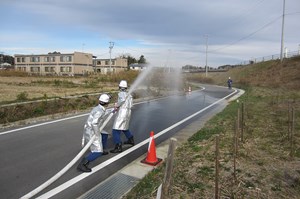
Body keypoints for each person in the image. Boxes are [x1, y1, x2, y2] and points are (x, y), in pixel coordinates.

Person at [77, 93, 112, 172]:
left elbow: (104, 113)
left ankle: (101, 148)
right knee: (98, 152)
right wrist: (96, 134)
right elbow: (94, 123)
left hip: (93, 128)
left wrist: (113, 110)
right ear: (107, 103)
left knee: (105, 134)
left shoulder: (99, 108)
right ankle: (83, 164)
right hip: (92, 131)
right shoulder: (99, 111)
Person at [110, 80, 135, 153]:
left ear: (120, 87)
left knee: (115, 130)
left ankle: (118, 146)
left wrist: (116, 105)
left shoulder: (121, 94)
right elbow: (130, 105)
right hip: (128, 112)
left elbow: (122, 100)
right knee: (124, 127)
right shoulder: (129, 95)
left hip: (122, 112)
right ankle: (131, 140)